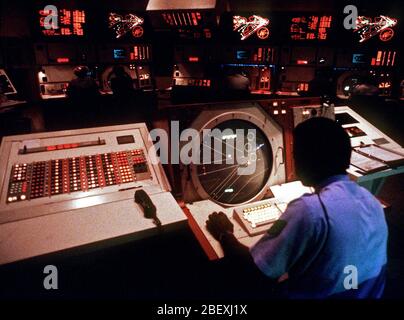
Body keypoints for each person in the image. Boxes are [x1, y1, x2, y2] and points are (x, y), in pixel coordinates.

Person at [206, 117, 388, 299]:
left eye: (295, 154)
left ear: (305, 160)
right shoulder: (372, 202)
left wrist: (225, 234)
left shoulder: (309, 210)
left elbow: (254, 273)